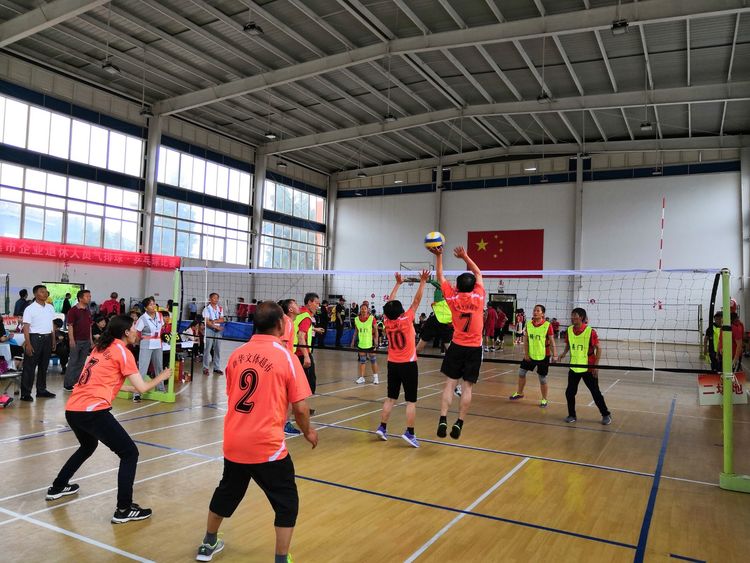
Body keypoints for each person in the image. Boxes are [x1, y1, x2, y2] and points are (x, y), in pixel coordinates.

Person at [194, 301, 317, 562]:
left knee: (227, 492)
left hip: (235, 442)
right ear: (281, 324)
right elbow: (300, 408)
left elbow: (232, 393)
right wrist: (308, 432)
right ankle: (281, 559)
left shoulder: (237, 354)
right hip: (266, 446)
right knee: (287, 502)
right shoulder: (286, 356)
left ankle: (208, 542)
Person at [45, 315, 171, 522]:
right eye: (134, 328)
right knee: (129, 453)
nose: (136, 331)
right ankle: (124, 509)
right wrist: (161, 377)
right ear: (126, 332)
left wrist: (127, 388)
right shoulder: (123, 351)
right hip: (92, 411)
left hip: (74, 409)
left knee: (88, 446)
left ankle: (58, 487)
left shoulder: (100, 348)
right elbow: (143, 388)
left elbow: (101, 381)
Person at [429, 246, 485, 440]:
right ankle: (459, 422)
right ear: (473, 286)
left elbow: (440, 276)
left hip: (457, 346)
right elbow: (478, 272)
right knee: (467, 387)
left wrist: (439, 255)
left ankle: (443, 418)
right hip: (474, 348)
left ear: (458, 287)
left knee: (449, 384)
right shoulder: (479, 297)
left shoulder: (452, 297)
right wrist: (465, 257)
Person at [375, 270, 429, 448]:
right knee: (411, 401)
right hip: (408, 365)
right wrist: (423, 281)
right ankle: (410, 433)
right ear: (400, 311)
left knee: (391, 398)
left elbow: (389, 304)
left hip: (393, 364)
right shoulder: (406, 319)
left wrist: (397, 284)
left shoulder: (387, 321)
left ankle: (382, 427)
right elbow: (416, 301)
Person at [558, 308, 611, 425]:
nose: (572, 318)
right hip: (574, 366)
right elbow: (569, 344)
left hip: (588, 367)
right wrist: (564, 353)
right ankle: (572, 415)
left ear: (581, 317)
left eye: (575, 316)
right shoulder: (569, 330)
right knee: (569, 392)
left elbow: (599, 348)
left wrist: (596, 366)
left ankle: (606, 414)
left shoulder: (590, 331)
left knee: (595, 392)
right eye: (572, 315)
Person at [510, 304, 557, 407]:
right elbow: (526, 340)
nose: (535, 312)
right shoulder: (529, 324)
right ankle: (520, 393)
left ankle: (544, 399)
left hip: (544, 355)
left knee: (542, 378)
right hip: (530, 355)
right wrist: (526, 354)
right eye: (534, 310)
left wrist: (555, 355)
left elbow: (552, 341)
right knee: (521, 372)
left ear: (542, 314)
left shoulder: (547, 325)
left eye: (538, 311)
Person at [20, 285, 57, 402]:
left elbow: (51, 324)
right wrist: (28, 344)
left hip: (47, 338)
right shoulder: (30, 309)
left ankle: (41, 390)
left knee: (44, 366)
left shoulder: (50, 307)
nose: (45, 294)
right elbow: (26, 327)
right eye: (42, 292)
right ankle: (25, 393)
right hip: (35, 338)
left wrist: (53, 339)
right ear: (36, 294)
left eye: (46, 292)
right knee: (29, 367)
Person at [133, 297, 166, 402]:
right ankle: (137, 393)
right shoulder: (142, 319)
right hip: (146, 344)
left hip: (158, 343)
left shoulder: (159, 315)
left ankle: (160, 389)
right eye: (151, 304)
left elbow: (162, 328)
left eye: (154, 303)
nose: (153, 306)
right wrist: (137, 342)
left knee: (159, 367)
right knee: (143, 369)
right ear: (145, 308)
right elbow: (137, 333)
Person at [294, 293, 325, 404]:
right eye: (316, 303)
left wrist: (314, 329)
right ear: (309, 302)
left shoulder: (299, 312)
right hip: (301, 353)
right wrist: (306, 356)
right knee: (308, 383)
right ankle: (301, 407)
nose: (318, 306)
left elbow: (299, 327)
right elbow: (301, 336)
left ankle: (297, 406)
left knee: (297, 381)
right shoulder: (306, 317)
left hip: (293, 352)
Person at [279, 298, 302, 436]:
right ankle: (285, 424)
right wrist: (286, 362)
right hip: (285, 362)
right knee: (289, 396)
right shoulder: (287, 321)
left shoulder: (286, 320)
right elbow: (282, 343)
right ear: (290, 309)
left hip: (284, 361)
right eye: (295, 304)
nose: (298, 306)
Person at [64, 289, 93, 391]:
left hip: (86, 341)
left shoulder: (87, 310)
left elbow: (89, 326)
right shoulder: (73, 310)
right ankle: (68, 384)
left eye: (90, 296)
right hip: (76, 340)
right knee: (73, 362)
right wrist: (71, 340)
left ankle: (76, 382)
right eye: (87, 296)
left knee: (81, 363)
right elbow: (70, 326)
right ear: (80, 298)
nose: (89, 298)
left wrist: (91, 340)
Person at [416, 279, 454, 355]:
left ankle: (412, 357)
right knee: (447, 345)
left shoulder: (442, 295)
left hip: (436, 321)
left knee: (421, 344)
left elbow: (438, 285)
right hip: (446, 323)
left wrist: (429, 280)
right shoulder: (452, 297)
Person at [352, 303, 380, 385]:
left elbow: (376, 330)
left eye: (365, 308)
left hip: (370, 343)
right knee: (362, 361)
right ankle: (362, 377)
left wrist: (376, 340)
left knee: (373, 360)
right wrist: (353, 341)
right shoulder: (356, 319)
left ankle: (375, 377)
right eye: (362, 308)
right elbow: (356, 331)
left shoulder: (372, 318)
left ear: (368, 310)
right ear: (360, 310)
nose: (363, 310)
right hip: (362, 343)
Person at [203, 293, 225, 376]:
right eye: (214, 298)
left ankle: (216, 368)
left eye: (217, 298)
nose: (216, 299)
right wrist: (215, 326)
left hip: (218, 331)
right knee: (207, 349)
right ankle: (205, 368)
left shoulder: (220, 308)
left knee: (217, 349)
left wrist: (214, 321)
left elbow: (222, 319)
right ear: (210, 299)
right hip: (210, 330)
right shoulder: (206, 309)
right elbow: (207, 322)